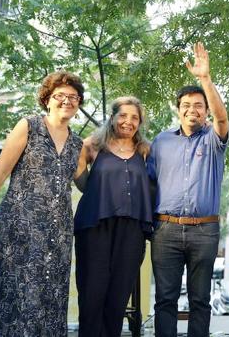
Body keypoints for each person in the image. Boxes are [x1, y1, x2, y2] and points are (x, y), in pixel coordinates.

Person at [0, 71, 85, 336]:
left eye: (74, 97)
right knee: (14, 292)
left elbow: (87, 185)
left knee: (49, 293)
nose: (67, 101)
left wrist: (115, 156)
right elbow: (0, 172)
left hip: (57, 233)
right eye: (60, 95)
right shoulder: (29, 126)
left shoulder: (77, 144)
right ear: (47, 99)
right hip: (19, 226)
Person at [146, 42, 229, 337]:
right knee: (165, 299)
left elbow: (222, 119)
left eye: (198, 105)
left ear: (205, 110)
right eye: (186, 105)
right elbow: (150, 184)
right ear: (178, 110)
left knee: (200, 300)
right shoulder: (161, 141)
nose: (192, 110)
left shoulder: (213, 139)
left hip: (204, 231)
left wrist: (205, 79)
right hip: (165, 230)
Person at [73, 96, 152, 336]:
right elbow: (81, 180)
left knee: (119, 295)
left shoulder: (145, 150)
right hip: (95, 225)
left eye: (134, 117)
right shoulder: (91, 145)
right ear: (113, 117)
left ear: (140, 123)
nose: (128, 122)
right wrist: (101, 192)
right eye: (123, 115)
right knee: (92, 292)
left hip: (132, 229)